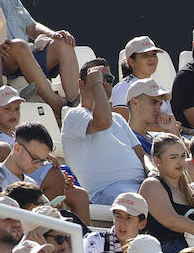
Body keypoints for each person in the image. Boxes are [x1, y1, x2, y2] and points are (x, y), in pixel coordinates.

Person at [59, 59, 146, 206]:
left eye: (108, 79)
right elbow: (103, 121)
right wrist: (97, 85)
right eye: (99, 79)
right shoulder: (75, 115)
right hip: (107, 191)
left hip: (142, 185)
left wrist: (153, 172)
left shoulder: (118, 118)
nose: (105, 83)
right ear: (81, 84)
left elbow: (142, 155)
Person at [139, 132, 194, 253]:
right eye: (173, 157)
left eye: (183, 156)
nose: (180, 162)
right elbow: (172, 221)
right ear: (157, 160)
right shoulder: (151, 185)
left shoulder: (190, 190)